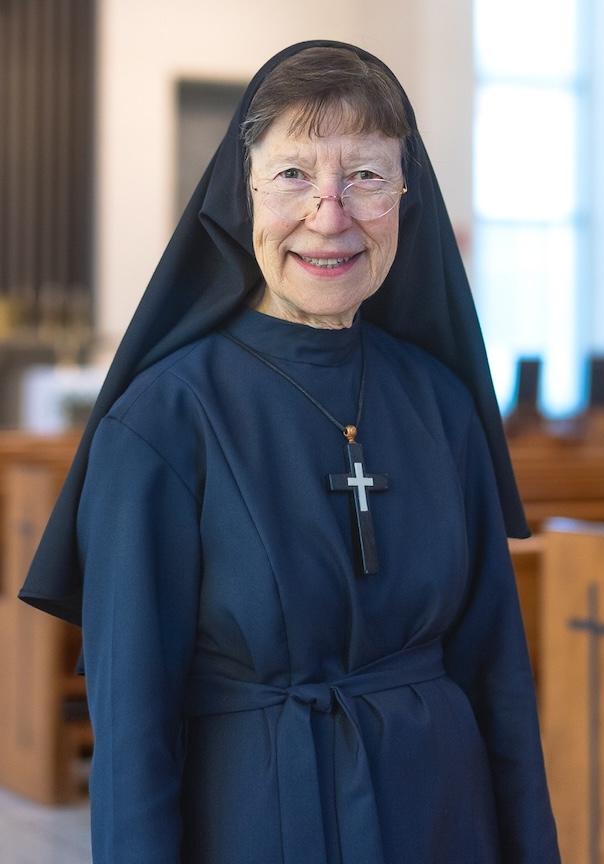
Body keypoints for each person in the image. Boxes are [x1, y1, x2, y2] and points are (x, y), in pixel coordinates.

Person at [18, 40, 561, 863]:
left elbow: (501, 684)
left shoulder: (445, 407)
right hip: (261, 823)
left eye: (367, 176)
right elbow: (132, 738)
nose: (330, 214)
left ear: (407, 198)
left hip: (448, 824)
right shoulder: (161, 422)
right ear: (244, 194)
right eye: (294, 174)